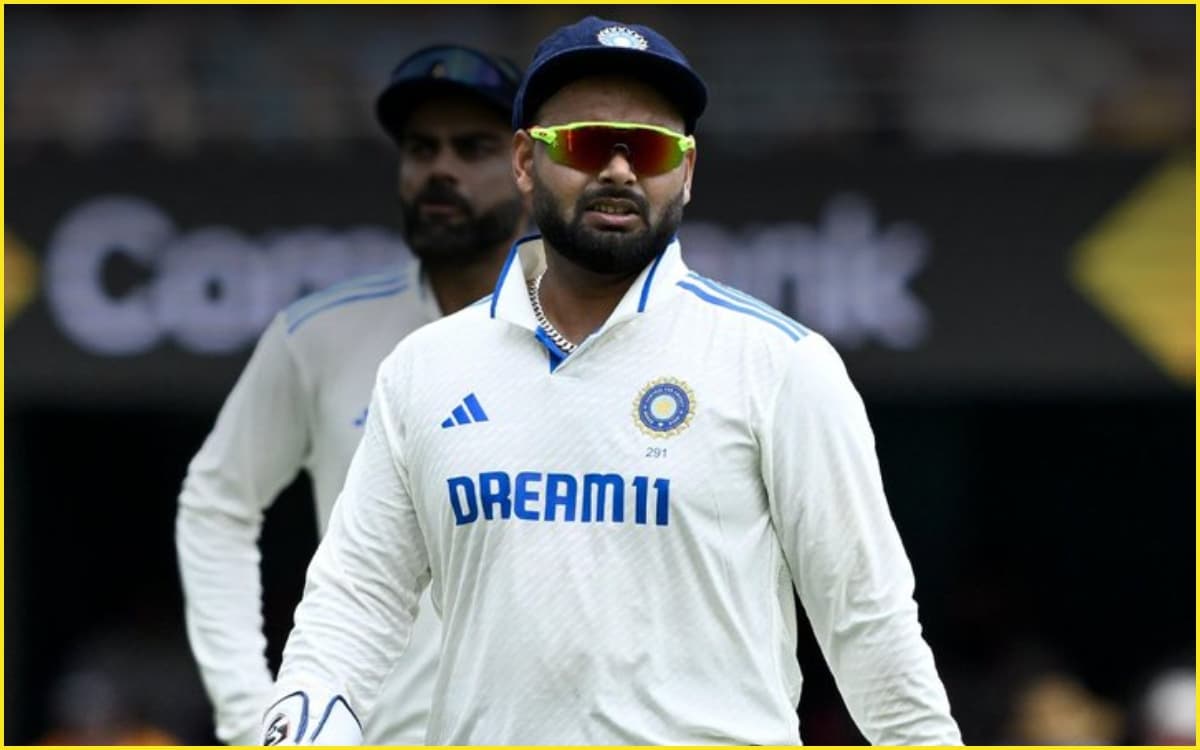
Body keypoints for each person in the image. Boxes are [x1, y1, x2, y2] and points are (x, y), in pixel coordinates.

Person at [263, 16, 962, 745]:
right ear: (525, 161)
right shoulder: (426, 367)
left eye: (651, 149)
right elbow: (354, 604)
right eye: (588, 144)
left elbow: (870, 624)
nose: (621, 172)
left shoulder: (781, 363)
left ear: (686, 173)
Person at [174, 44, 527, 745]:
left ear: (527, 165)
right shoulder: (319, 333)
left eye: (473, 147)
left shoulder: (586, 333)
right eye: (421, 149)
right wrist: (249, 714)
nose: (441, 169)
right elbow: (216, 503)